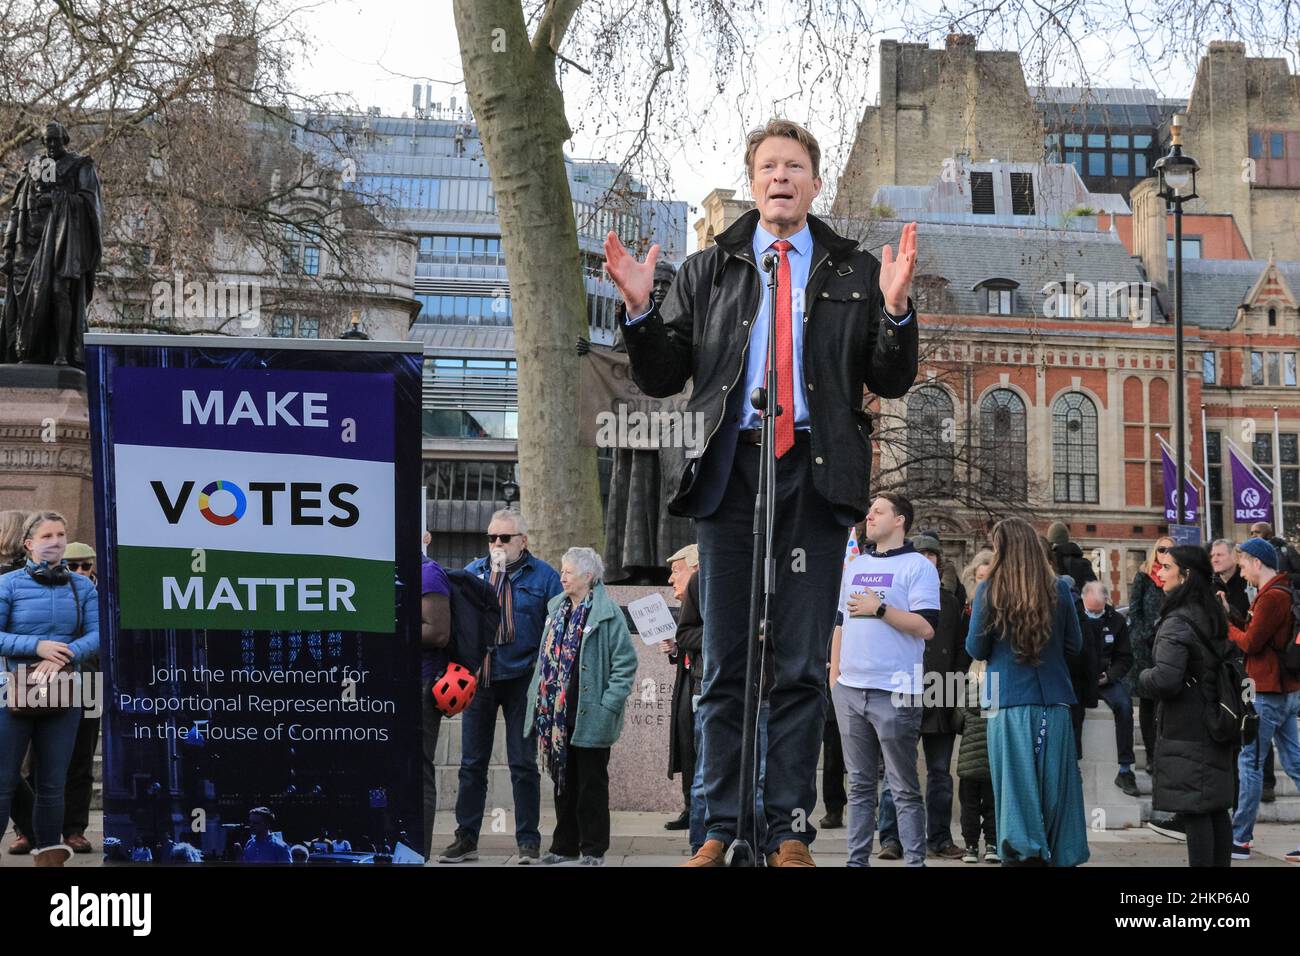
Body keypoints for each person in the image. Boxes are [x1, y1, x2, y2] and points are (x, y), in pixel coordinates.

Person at [605, 117, 919, 868]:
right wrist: (642, 313)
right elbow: (658, 376)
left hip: (814, 475)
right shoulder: (709, 270)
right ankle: (715, 824)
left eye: (795, 166)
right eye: (769, 166)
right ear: (753, 183)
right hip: (731, 472)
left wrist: (899, 310)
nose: (781, 177)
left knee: (803, 664)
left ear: (814, 182)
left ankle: (786, 828)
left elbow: (891, 378)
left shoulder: (849, 269)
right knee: (724, 664)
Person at [965, 516, 1089, 867]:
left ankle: (1021, 855)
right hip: (1054, 702)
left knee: (1014, 793)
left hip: (1007, 702)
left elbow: (975, 648)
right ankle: (1057, 855)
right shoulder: (1059, 588)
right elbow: (1074, 644)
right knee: (1056, 793)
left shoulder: (990, 590)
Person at [440, 509, 561, 864]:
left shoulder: (544, 577)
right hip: (480, 678)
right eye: (492, 537)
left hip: (523, 677)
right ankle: (466, 838)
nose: (497, 544)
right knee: (471, 763)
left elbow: (557, 626)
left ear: (523, 541)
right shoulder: (473, 573)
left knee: (523, 763)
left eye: (504, 538)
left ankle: (528, 841)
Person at [829, 493, 939, 867]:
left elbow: (926, 627)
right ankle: (856, 862)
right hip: (850, 689)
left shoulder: (918, 567)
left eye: (878, 512)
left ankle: (914, 862)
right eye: (869, 511)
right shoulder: (855, 565)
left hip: (896, 692)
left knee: (903, 787)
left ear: (900, 521)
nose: (869, 517)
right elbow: (841, 623)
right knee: (859, 786)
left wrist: (880, 608)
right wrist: (834, 678)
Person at [527, 548, 637, 865]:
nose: (562, 576)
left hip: (591, 716)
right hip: (558, 717)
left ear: (588, 577)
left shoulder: (607, 613)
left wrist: (608, 705)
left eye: (568, 572)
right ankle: (564, 846)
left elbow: (625, 663)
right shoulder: (556, 609)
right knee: (564, 782)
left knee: (591, 785)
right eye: (562, 570)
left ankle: (593, 849)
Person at [0, 511, 98, 867]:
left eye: (60, 534)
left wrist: (65, 654)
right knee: (4, 781)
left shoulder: (83, 586)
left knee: (54, 783)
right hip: (11, 692)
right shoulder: (8, 584)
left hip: (63, 691)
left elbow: (97, 634)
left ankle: (47, 856)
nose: (55, 541)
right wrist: (37, 646)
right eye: (46, 536)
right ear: (29, 544)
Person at [1136, 545, 1236, 867]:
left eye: (1166, 567)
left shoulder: (1177, 620)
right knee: (1215, 808)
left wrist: (1143, 677)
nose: (1160, 573)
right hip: (1216, 718)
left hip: (1187, 726)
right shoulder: (1213, 612)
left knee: (1195, 810)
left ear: (1186, 574)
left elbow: (1166, 679)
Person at [877, 532, 965, 860]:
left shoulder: (952, 602)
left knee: (941, 773)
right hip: (903, 689)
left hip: (940, 694)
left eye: (933, 555)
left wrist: (953, 688)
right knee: (896, 772)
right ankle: (891, 838)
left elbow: (961, 649)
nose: (928, 559)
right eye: (922, 554)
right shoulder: (894, 598)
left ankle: (939, 838)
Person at [1222, 537, 1300, 862]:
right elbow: (1260, 633)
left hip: (1268, 692)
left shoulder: (1271, 598)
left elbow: (1252, 643)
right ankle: (1240, 837)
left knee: (1250, 763)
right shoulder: (1276, 594)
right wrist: (1234, 614)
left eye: (1242, 565)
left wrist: (1226, 626)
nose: (1241, 572)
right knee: (1295, 764)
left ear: (1257, 562)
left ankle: (1239, 839)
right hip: (1285, 692)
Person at [1070, 580, 1138, 796]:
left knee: (1125, 706)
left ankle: (1125, 769)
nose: (1094, 613)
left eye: (1098, 610)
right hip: (1079, 678)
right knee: (1073, 710)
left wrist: (1109, 675)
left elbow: (1125, 657)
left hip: (1105, 678)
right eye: (1091, 610)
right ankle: (1074, 765)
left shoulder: (1116, 621)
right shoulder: (1072, 617)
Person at [1128, 536, 1171, 835]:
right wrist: (1145, 633)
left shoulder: (1177, 577)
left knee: (1164, 703)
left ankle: (1163, 754)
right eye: (1162, 548)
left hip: (1169, 645)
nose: (1165, 553)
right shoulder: (1144, 576)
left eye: (1170, 549)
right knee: (1147, 703)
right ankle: (1153, 757)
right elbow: (1135, 608)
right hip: (1145, 647)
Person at [662, 544, 702, 832]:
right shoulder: (690, 603)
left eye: (677, 571)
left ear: (696, 569)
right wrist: (676, 649)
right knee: (686, 744)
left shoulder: (707, 597)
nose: (671, 579)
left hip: (704, 683)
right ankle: (690, 805)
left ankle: (698, 808)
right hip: (688, 681)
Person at [419, 530, 452, 859]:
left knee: (419, 767)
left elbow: (438, 632)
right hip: (394, 684)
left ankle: (421, 852)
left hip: (424, 685)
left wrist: (391, 625)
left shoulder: (428, 573)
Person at [955, 658, 997, 863]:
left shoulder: (965, 693)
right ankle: (992, 845)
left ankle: (970, 848)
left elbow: (957, 723)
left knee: (969, 807)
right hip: (992, 763)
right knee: (992, 806)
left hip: (968, 764)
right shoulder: (998, 692)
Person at [1046, 521, 1096, 597]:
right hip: (1080, 606)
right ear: (1067, 539)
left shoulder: (1045, 563)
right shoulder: (1083, 564)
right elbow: (1095, 592)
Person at [1210, 539, 1250, 623]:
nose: (1214, 560)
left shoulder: (1249, 581)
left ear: (1234, 556)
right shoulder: (1207, 584)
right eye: (1212, 556)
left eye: (1219, 555)